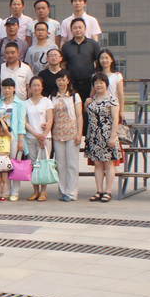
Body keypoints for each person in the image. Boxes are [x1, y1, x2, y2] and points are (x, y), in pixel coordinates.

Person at [86, 73, 121, 203]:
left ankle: (108, 191)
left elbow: (115, 119)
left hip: (107, 135)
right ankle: (99, 190)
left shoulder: (112, 99)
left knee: (109, 163)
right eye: (96, 83)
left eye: (101, 83)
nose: (98, 85)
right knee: (97, 163)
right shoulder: (92, 99)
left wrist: (112, 136)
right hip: (94, 135)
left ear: (106, 84)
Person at [51, 74, 83, 202]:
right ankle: (63, 191)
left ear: (68, 81)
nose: (61, 82)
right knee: (60, 164)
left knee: (72, 164)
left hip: (72, 133)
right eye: (59, 80)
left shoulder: (74, 96)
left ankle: (72, 192)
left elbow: (79, 116)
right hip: (57, 134)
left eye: (63, 80)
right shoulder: (52, 97)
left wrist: (79, 133)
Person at [0, 77, 27, 200]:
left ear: (14, 89)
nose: (7, 90)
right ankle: (6, 190)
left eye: (9, 88)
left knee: (14, 164)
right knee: (4, 165)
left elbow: (21, 122)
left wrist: (20, 140)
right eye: (4, 88)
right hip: (1, 137)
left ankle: (15, 192)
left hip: (13, 137)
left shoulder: (20, 103)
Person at [24, 76, 53, 201]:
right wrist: (36, 134)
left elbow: (50, 120)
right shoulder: (26, 103)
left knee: (43, 164)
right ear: (30, 88)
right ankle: (35, 191)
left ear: (42, 87)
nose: (36, 88)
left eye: (38, 85)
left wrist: (43, 135)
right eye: (33, 85)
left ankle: (43, 192)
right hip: (30, 137)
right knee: (33, 165)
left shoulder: (47, 102)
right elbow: (25, 122)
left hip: (45, 138)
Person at [61, 18, 102, 101]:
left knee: (88, 104)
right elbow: (63, 65)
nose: (78, 30)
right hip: (72, 83)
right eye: (75, 28)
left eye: (80, 27)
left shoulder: (93, 44)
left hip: (89, 82)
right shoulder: (66, 46)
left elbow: (98, 62)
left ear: (85, 29)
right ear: (71, 30)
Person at [99, 49, 126, 120]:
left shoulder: (117, 76)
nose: (104, 60)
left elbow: (120, 94)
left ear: (111, 60)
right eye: (102, 58)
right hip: (99, 108)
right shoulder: (96, 76)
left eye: (106, 58)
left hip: (113, 108)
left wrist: (121, 111)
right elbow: (92, 94)